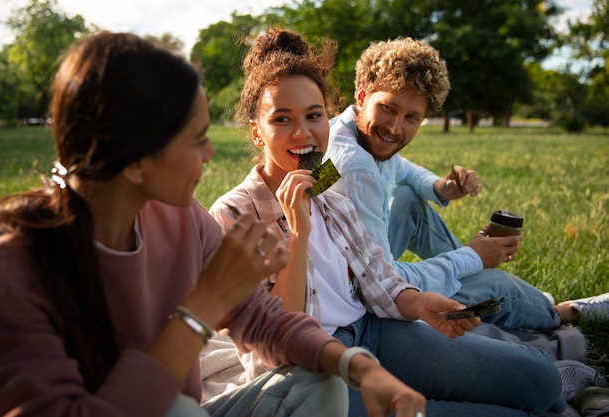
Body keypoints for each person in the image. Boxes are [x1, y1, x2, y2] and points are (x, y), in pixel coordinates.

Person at [0, 31, 435, 417]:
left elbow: (264, 319)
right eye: (197, 139)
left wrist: (360, 366)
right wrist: (203, 303)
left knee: (320, 384)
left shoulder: (183, 218)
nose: (210, 154)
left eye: (315, 115)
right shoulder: (7, 261)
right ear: (136, 159)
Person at [209, 27, 565, 417]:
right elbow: (275, 347)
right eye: (282, 119)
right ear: (256, 132)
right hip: (309, 376)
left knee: (540, 378)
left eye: (314, 116)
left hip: (371, 331)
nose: (303, 133)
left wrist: (420, 304)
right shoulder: (233, 215)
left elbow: (379, 279)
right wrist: (297, 232)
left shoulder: (330, 193)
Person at [322, 36, 609, 332]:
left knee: (408, 198)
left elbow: (401, 168)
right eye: (389, 108)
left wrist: (440, 186)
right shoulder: (356, 168)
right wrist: (470, 257)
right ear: (362, 97)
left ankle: (483, 277)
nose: (395, 127)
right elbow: (384, 284)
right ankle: (565, 313)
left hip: (352, 265)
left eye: (411, 117)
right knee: (498, 288)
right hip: (358, 298)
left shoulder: (348, 131)